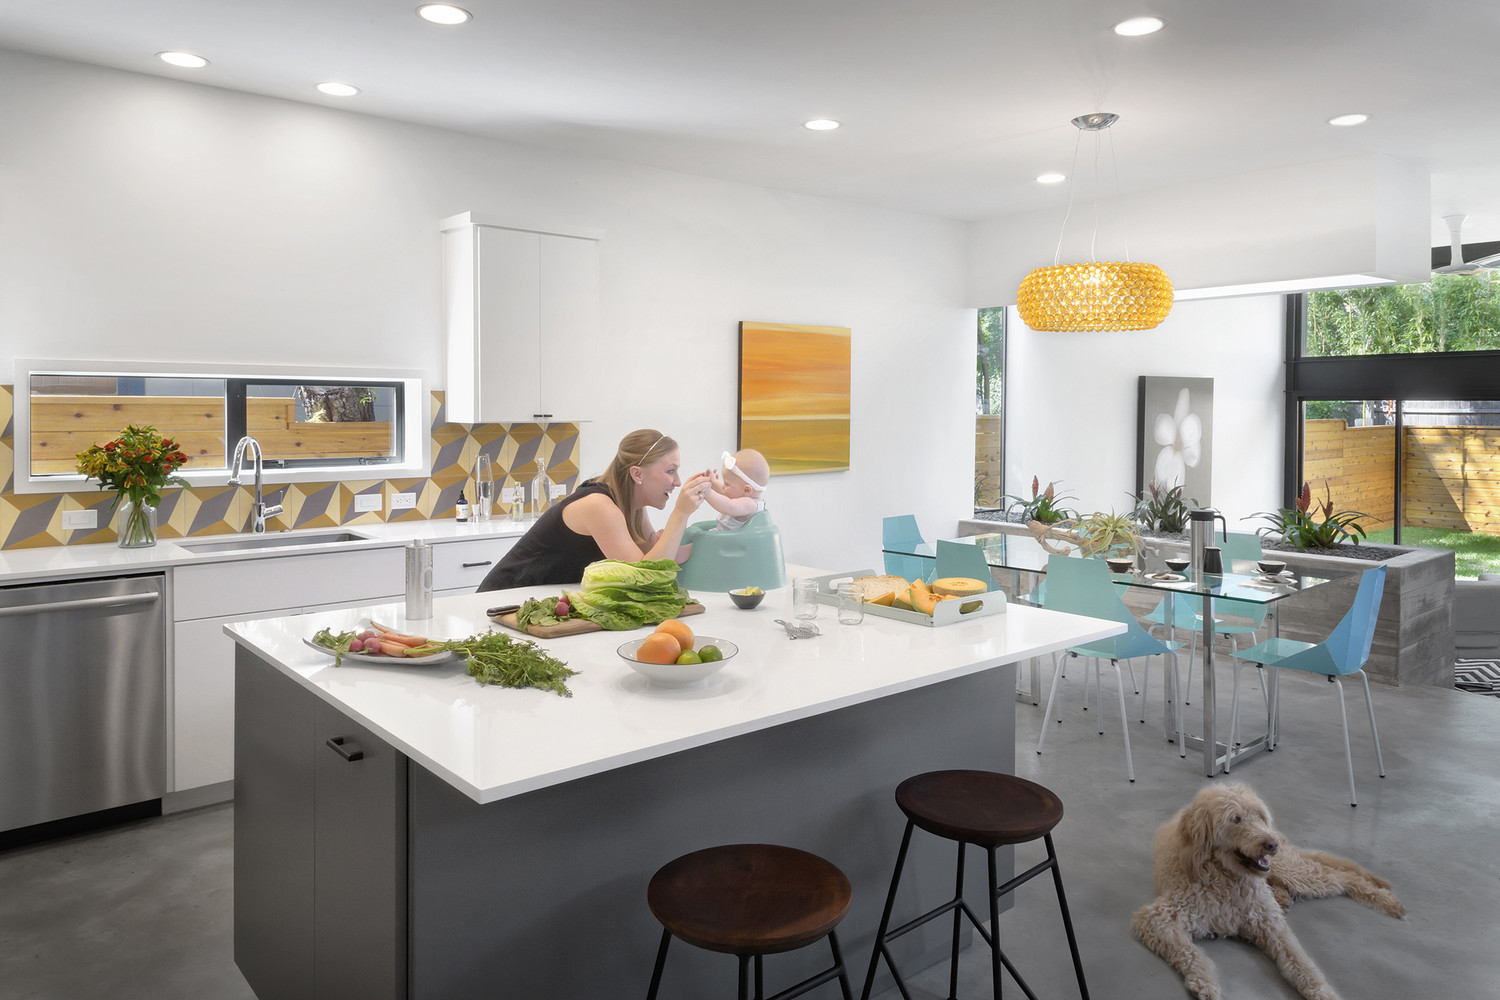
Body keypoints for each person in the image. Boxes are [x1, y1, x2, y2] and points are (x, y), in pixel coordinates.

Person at [477, 429, 711, 591]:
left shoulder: (632, 505)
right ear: (637, 474)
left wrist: (721, 532)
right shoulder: (599, 506)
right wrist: (680, 515)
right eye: (670, 471)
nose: (678, 481)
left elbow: (654, 559)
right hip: (504, 600)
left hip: (539, 602)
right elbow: (644, 577)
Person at [701, 448, 769, 531]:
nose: (723, 486)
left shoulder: (750, 504)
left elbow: (729, 506)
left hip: (731, 542)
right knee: (695, 539)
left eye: (727, 484)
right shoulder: (739, 496)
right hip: (723, 537)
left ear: (746, 490)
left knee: (697, 543)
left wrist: (707, 493)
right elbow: (725, 492)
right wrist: (713, 482)